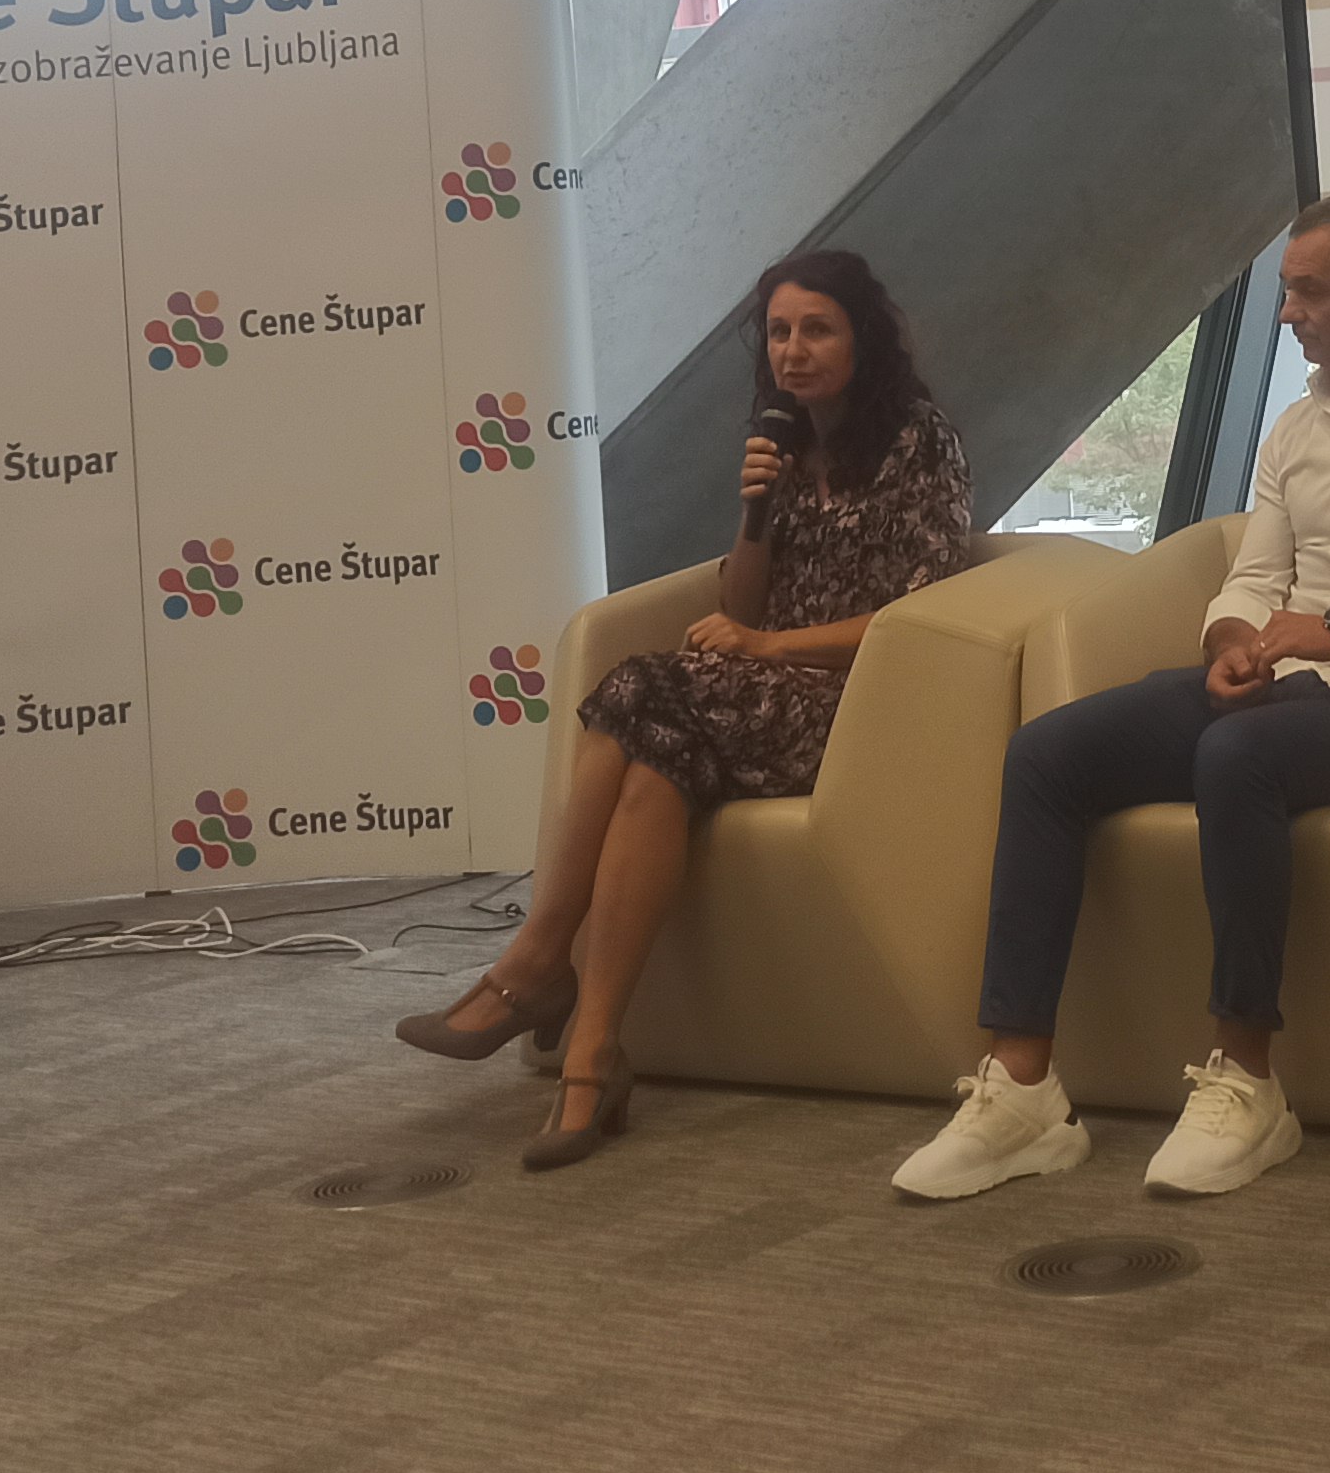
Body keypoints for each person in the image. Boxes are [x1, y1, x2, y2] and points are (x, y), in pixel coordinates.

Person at [893, 191, 1330, 1206]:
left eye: (1310, 290)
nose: (1287, 312)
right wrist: (1233, 644)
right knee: (1047, 754)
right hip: (1282, 680)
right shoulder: (1292, 428)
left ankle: (1247, 1079)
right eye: (1285, 290)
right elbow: (1254, 576)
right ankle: (1022, 1090)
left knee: (1232, 759)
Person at [398, 250, 972, 1169]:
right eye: (778, 332)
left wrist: (768, 649)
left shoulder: (918, 441)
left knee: (639, 686)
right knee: (653, 766)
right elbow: (741, 603)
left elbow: (922, 613)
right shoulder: (784, 445)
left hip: (858, 700)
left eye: (817, 330)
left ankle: (538, 961)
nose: (793, 351)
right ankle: (592, 1055)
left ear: (864, 339)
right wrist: (754, 511)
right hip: (755, 696)